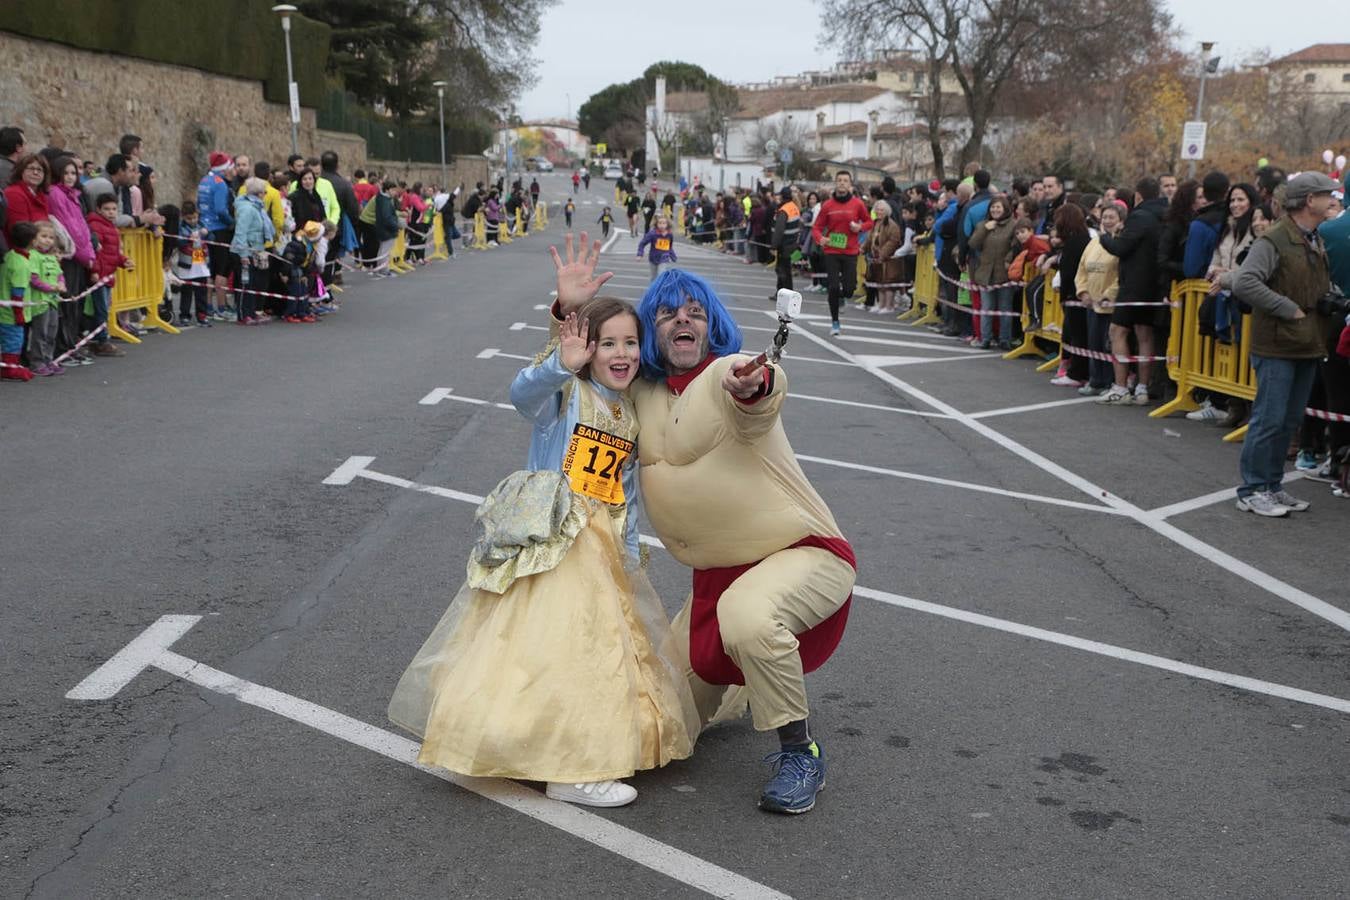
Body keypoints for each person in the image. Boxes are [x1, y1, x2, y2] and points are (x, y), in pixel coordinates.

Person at [549, 233, 857, 815]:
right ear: (651, 334)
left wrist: (756, 386)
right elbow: (577, 372)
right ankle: (739, 689)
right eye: (666, 314)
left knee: (750, 620)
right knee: (663, 719)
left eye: (695, 312)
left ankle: (800, 752)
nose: (682, 320)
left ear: (711, 324)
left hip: (802, 555)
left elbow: (759, 390)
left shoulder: (725, 375)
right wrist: (567, 311)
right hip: (714, 582)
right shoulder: (639, 393)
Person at [389, 294, 698, 808]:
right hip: (556, 541)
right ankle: (571, 770)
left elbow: (622, 488)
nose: (620, 353)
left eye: (630, 343)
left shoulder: (627, 410)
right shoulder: (567, 395)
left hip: (599, 544)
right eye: (607, 344)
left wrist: (626, 549)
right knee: (565, 649)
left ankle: (539, 745)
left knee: (581, 650)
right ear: (587, 350)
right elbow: (523, 394)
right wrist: (560, 356)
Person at [1231, 171, 1339, 517]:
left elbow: (1306, 281)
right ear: (1309, 201)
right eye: (1326, 195)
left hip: (1306, 342)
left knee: (1289, 419)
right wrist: (1286, 307)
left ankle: (1272, 486)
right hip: (1278, 344)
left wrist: (1330, 298)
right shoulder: (1274, 239)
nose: (1331, 201)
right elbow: (1246, 282)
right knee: (1269, 418)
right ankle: (1251, 489)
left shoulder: (1313, 237)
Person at [1098, 177, 1169, 405]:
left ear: (1138, 196)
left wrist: (1106, 236)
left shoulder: (1139, 217)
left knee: (1117, 331)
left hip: (1134, 285)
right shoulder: (1166, 215)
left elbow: (1121, 248)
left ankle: (1120, 387)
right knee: (1145, 335)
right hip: (1156, 285)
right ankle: (1141, 388)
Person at [46, 155, 95, 364]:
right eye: (65, 172)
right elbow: (68, 227)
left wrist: (89, 252)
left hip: (78, 255)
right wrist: (86, 255)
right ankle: (62, 348)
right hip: (68, 255)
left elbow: (82, 225)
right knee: (66, 305)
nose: (70, 177)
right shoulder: (56, 194)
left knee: (74, 303)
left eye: (73, 173)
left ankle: (70, 344)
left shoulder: (73, 195)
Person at [811, 170, 872, 335]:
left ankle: (844, 296)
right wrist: (820, 239)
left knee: (849, 288)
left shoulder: (857, 204)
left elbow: (869, 222)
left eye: (845, 180)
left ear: (850, 184)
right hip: (831, 250)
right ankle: (835, 322)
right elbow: (816, 227)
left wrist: (859, 227)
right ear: (836, 183)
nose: (842, 183)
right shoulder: (828, 205)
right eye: (839, 180)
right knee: (832, 287)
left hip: (850, 250)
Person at [1077, 201, 1124, 394]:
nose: (1107, 221)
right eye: (1104, 217)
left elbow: (1122, 273)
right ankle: (1095, 380)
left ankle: (1110, 382)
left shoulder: (1121, 242)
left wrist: (1109, 294)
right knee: (1094, 342)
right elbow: (1082, 269)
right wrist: (1083, 292)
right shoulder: (1094, 241)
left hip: (1110, 304)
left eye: (1112, 217)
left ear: (1121, 221)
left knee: (1108, 345)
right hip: (1092, 302)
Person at [84, 194, 132, 357]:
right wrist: (95, 271)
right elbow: (96, 252)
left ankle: (97, 339)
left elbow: (113, 252)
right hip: (100, 275)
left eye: (114, 209)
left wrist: (123, 261)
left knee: (103, 309)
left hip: (108, 275)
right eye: (107, 209)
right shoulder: (96, 226)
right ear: (98, 209)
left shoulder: (111, 227)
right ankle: (100, 341)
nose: (111, 212)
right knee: (100, 310)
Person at [969, 194, 1016, 348]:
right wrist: (984, 229)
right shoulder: (983, 224)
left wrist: (1009, 260)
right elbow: (973, 243)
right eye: (993, 207)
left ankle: (1005, 339)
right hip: (985, 273)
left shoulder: (1013, 225)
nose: (995, 210)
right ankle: (986, 338)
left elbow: (1015, 246)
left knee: (1005, 308)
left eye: (998, 207)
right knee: (986, 307)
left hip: (1004, 273)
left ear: (1005, 209)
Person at [196, 152, 238, 321]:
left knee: (209, 270)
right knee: (222, 269)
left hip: (205, 229)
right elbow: (221, 210)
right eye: (231, 167)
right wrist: (231, 222)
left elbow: (199, 204)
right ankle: (221, 308)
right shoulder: (220, 184)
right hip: (220, 230)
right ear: (225, 168)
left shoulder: (204, 180)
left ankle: (208, 307)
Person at [22, 222, 64, 376]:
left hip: (53, 300)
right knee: (41, 333)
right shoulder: (33, 256)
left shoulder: (51, 257)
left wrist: (61, 284)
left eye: (51, 237)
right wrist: (51, 288)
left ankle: (48, 359)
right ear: (34, 238)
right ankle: (36, 362)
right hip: (40, 301)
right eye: (44, 236)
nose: (48, 240)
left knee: (52, 332)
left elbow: (59, 274)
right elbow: (33, 279)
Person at [1, 221, 41, 381]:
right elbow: (18, 291)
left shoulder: (10, 256)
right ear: (32, 241)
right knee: (14, 340)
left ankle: (7, 365)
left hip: (3, 308)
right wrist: (19, 314)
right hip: (11, 312)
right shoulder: (22, 264)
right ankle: (10, 369)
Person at [230, 177, 273, 326]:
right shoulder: (248, 209)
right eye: (264, 192)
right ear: (259, 193)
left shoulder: (256, 207)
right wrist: (243, 255)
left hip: (253, 250)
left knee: (252, 284)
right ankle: (243, 314)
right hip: (245, 252)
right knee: (245, 284)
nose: (266, 195)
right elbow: (241, 232)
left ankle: (251, 312)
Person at [174, 200, 212, 327]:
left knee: (201, 290)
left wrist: (207, 234)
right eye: (189, 218)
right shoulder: (181, 227)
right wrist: (188, 238)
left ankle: (202, 314)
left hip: (200, 260)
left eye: (195, 217)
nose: (193, 220)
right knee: (187, 292)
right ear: (184, 217)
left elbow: (213, 238)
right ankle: (184, 315)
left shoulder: (201, 224)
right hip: (187, 262)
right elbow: (178, 242)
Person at [862, 199, 903, 315]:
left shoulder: (891, 225)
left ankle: (889, 306)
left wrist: (882, 253)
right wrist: (863, 248)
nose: (879, 212)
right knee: (879, 282)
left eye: (882, 210)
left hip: (888, 258)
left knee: (888, 283)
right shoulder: (875, 223)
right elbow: (869, 239)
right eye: (878, 209)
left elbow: (893, 241)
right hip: (877, 257)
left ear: (887, 211)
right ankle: (881, 304)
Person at [280, 221, 321, 323]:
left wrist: (306, 274)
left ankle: (302, 313)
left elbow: (309, 262)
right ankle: (289, 313)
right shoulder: (296, 243)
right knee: (295, 292)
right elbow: (287, 258)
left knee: (304, 292)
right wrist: (285, 273)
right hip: (293, 270)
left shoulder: (312, 245)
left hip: (302, 270)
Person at [771, 186, 801, 295]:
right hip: (792, 244)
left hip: (784, 245)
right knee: (785, 270)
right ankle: (780, 292)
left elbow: (779, 230)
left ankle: (785, 293)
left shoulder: (784, 210)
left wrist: (773, 246)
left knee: (782, 270)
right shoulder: (794, 207)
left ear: (783, 196)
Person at [635, 212, 678, 281]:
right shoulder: (652, 234)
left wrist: (673, 256)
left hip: (664, 258)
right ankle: (653, 290)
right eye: (660, 223)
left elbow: (669, 247)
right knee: (653, 277)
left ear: (667, 224)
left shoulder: (669, 235)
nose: (662, 225)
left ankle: (660, 290)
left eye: (664, 223)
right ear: (656, 224)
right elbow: (642, 243)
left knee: (661, 275)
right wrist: (640, 254)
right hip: (653, 258)